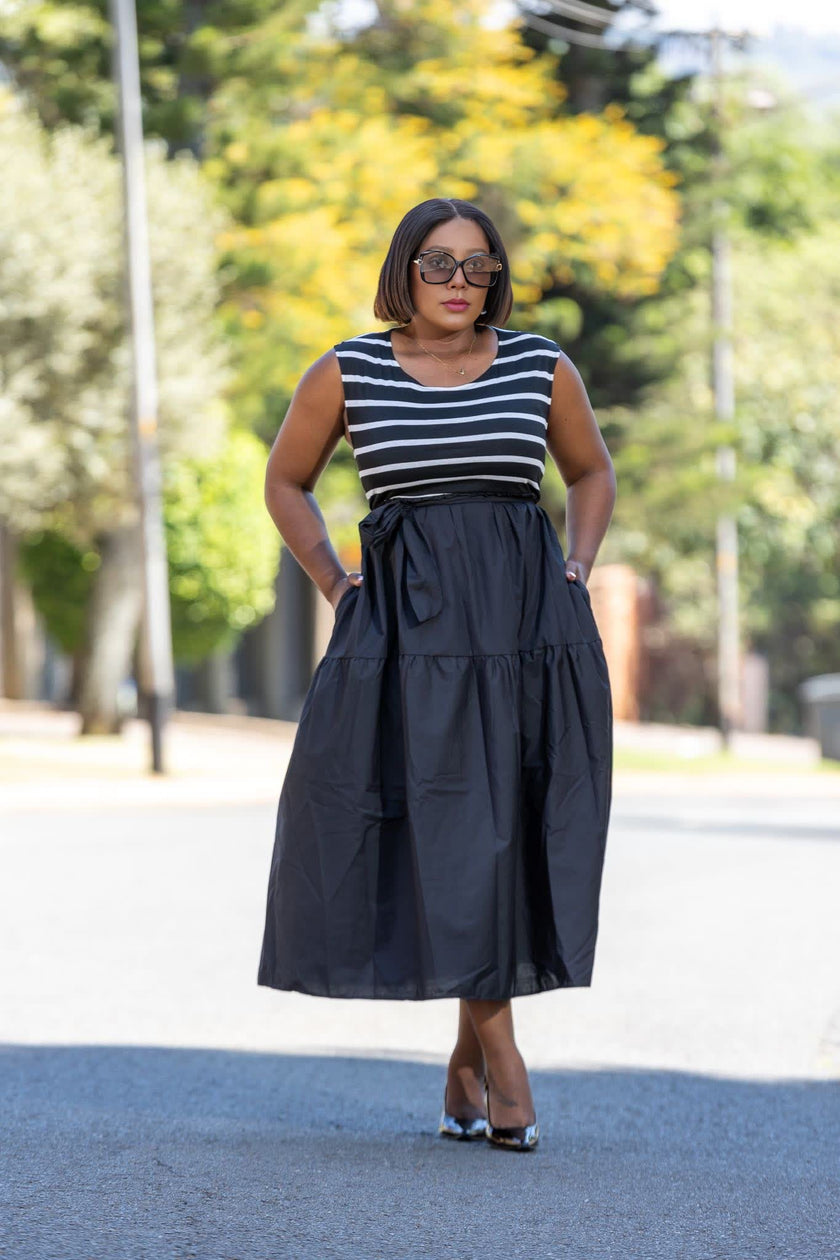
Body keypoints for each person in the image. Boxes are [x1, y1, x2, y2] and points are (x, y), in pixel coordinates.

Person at [257, 197, 615, 1152]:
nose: (461, 283)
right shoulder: (350, 368)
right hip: (408, 641)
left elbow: (590, 473)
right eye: (439, 263)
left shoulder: (542, 365)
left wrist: (576, 570)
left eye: (478, 265)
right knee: (455, 834)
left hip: (526, 630)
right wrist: (336, 581)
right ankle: (502, 1064)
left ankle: (464, 1059)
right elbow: (285, 479)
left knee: (506, 834)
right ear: (402, 271)